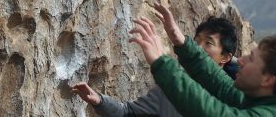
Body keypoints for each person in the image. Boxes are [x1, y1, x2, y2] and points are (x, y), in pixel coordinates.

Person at [128, 3, 276, 116]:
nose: (241, 60)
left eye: (252, 59)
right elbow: (219, 81)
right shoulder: (260, 100)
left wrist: (162, 63)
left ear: (267, 80)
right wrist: (181, 42)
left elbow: (209, 110)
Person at [73, 14, 240, 116]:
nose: (198, 47)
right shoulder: (171, 86)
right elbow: (128, 113)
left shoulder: (235, 99)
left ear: (225, 57)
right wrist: (99, 101)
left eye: (208, 43)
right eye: (196, 41)